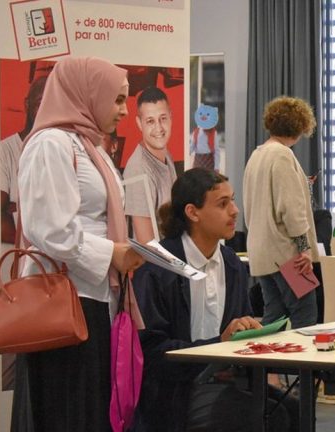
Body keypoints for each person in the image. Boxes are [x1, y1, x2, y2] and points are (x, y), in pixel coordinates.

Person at [15, 56, 145, 431]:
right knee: (67, 412)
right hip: (64, 300)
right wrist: (112, 254)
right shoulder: (51, 144)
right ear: (88, 94)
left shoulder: (91, 147)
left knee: (90, 412)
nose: (124, 110)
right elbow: (50, 230)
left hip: (94, 297)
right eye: (117, 100)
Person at [132, 168, 297, 432]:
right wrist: (216, 346)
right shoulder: (158, 268)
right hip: (173, 392)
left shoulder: (231, 263)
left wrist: (248, 331)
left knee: (292, 410)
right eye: (223, 204)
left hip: (223, 380)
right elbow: (150, 351)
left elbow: (236, 331)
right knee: (268, 417)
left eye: (232, 200)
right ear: (192, 212)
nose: (234, 211)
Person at [243, 96, 319, 329]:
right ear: (300, 126)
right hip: (288, 256)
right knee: (305, 316)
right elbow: (291, 210)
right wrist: (305, 250)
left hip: (261, 252)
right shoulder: (283, 155)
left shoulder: (257, 155)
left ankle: (269, 367)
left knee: (272, 319)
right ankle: (299, 367)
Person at [0, 74, 47, 246]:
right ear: (27, 104)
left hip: (52, 267)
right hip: (13, 262)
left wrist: (18, 209)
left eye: (53, 103)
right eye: (41, 101)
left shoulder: (65, 151)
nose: (47, 109)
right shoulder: (5, 149)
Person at [123, 86, 177, 243]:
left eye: (163, 118)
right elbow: (147, 244)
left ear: (171, 117)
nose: (158, 128)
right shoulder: (138, 170)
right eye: (150, 121)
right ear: (139, 124)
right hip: (153, 265)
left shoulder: (166, 155)